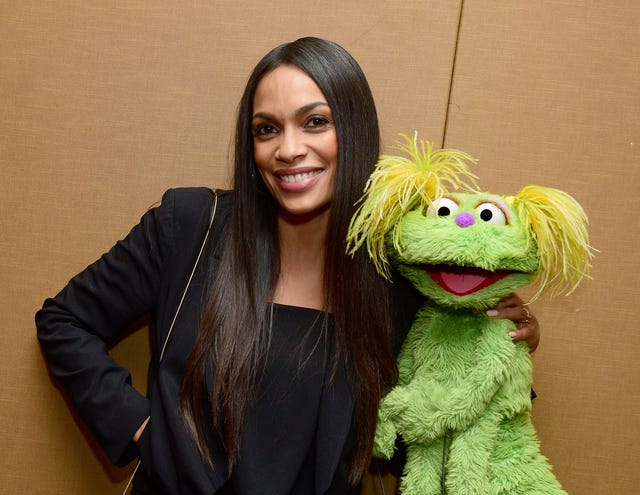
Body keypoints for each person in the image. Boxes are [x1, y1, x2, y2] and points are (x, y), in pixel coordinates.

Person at [36, 37, 540, 495]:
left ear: (355, 130)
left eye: (315, 122)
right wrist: (142, 429)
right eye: (267, 129)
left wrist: (496, 344)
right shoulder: (189, 225)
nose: (289, 149)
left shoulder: (398, 273)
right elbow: (64, 320)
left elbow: (425, 432)